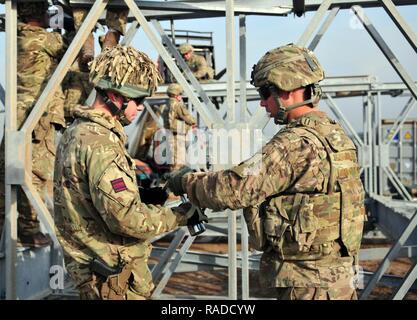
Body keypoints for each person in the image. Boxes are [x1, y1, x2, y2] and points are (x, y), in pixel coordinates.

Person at [167, 44, 366, 300]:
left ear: (288, 88)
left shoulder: (294, 144)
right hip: (338, 280)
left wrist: (185, 182)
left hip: (307, 283)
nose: (262, 102)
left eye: (265, 92)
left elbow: (235, 189)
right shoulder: (336, 135)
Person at [53, 45, 199, 300]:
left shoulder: (76, 132)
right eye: (138, 100)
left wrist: (145, 195)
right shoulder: (102, 145)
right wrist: (180, 216)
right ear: (114, 96)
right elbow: (126, 219)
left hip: (93, 270)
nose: (141, 107)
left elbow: (93, 195)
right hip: (113, 279)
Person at [0, 0, 66, 247]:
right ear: (37, 14)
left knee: (7, 170)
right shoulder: (42, 39)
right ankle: (28, 229)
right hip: (36, 117)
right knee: (36, 174)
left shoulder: (19, 36)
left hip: (19, 114)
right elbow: (74, 50)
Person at [161, 83, 197, 171]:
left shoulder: (166, 105)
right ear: (176, 94)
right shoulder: (177, 105)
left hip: (170, 136)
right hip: (177, 136)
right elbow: (189, 119)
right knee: (179, 163)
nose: (181, 96)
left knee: (173, 162)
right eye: (180, 94)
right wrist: (193, 122)